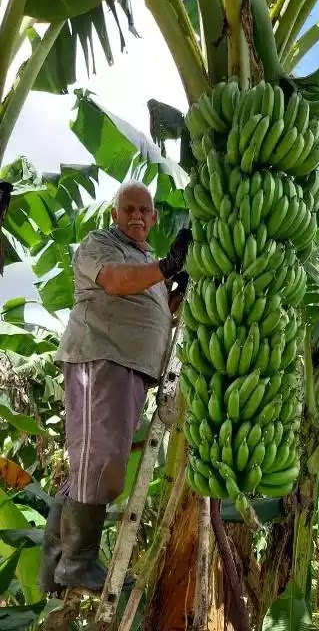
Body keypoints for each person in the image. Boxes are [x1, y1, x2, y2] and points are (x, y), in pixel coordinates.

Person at [39, 180, 191, 593]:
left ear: (154, 217)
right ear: (115, 214)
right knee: (100, 461)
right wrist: (166, 267)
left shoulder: (146, 264)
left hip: (133, 369)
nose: (137, 215)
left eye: (145, 210)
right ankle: (77, 562)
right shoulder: (101, 244)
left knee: (90, 466)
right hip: (100, 357)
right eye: (129, 208)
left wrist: (174, 294)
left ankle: (55, 564)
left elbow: (151, 313)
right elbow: (115, 283)